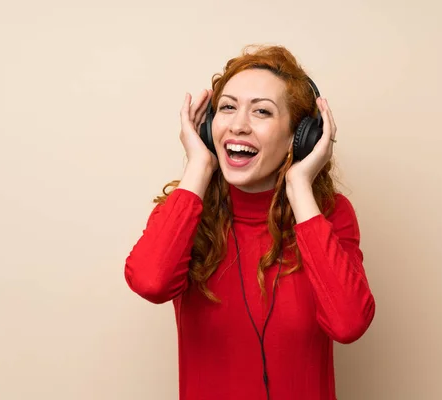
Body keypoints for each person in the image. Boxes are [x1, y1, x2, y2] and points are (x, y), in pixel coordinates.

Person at [124, 44, 376, 400]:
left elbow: (348, 323)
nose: (238, 125)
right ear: (209, 125)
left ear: (299, 136)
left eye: (261, 112)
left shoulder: (329, 215)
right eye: (227, 108)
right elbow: (151, 282)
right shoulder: (185, 212)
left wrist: (299, 186)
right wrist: (199, 165)